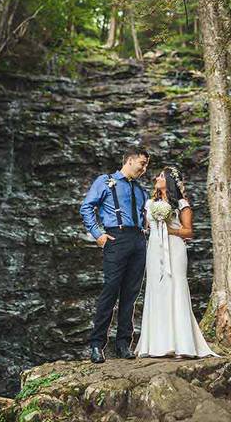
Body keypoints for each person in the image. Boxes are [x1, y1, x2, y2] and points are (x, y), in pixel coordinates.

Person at [135, 166, 218, 358]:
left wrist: (169, 229)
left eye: (161, 176)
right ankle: (154, 344)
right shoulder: (149, 203)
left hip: (174, 247)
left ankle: (182, 345)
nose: (157, 177)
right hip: (154, 249)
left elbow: (188, 232)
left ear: (170, 181)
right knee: (156, 288)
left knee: (176, 286)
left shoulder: (181, 203)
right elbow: (146, 227)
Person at [79, 146, 150, 363]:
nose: (145, 169)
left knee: (131, 293)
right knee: (110, 290)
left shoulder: (141, 190)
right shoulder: (105, 181)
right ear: (129, 160)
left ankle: (123, 345)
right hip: (115, 238)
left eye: (147, 165)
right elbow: (86, 207)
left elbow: (145, 217)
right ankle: (96, 345)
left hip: (138, 241)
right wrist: (98, 234)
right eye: (142, 163)